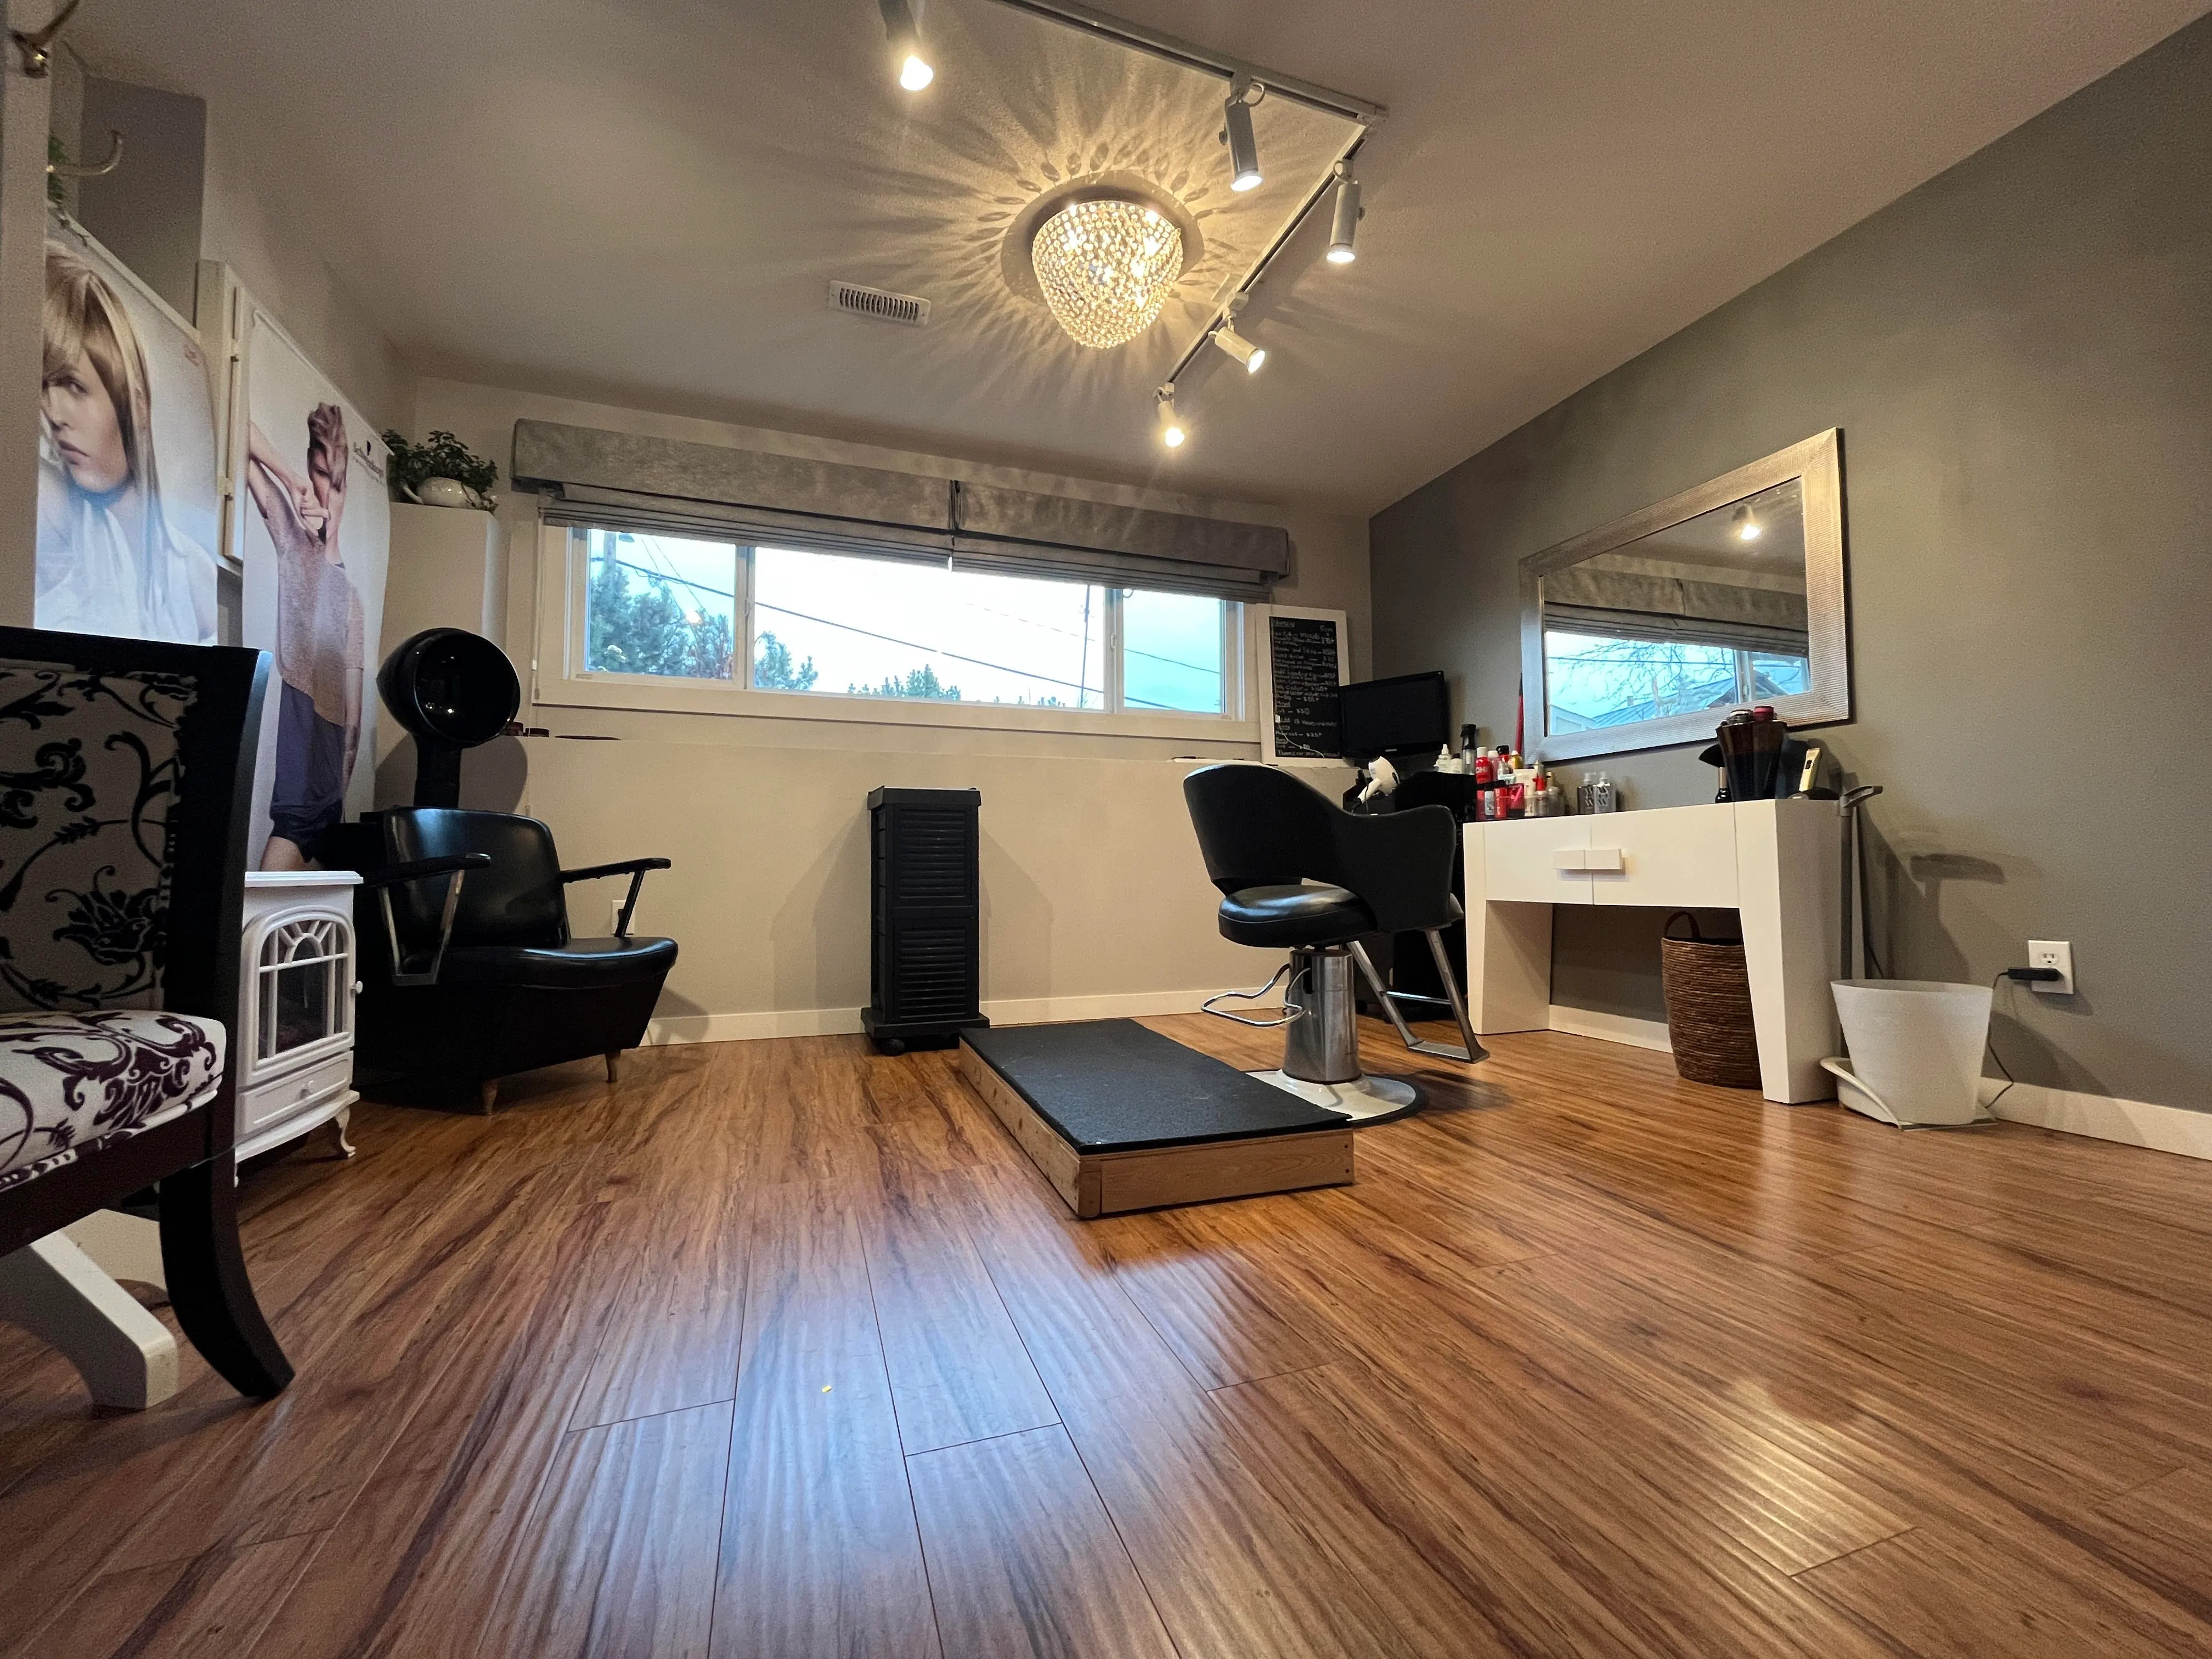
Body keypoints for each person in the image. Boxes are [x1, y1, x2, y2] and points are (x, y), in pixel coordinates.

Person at [37, 243, 218, 643]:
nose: (54, 413)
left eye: (73, 385)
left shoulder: (193, 573)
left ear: (134, 405)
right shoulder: (49, 505)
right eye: (43, 388)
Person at [245, 404, 364, 870]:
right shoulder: (296, 543)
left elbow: (353, 723)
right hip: (296, 794)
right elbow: (238, 426)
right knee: (268, 916)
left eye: (335, 481)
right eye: (319, 474)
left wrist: (339, 797)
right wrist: (292, 479)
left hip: (324, 792)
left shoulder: (351, 597)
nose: (326, 492)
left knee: (286, 922)